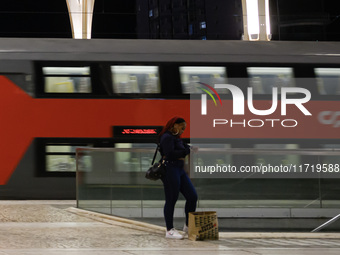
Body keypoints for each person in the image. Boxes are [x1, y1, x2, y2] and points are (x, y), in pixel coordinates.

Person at [158, 117, 198, 239]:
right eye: (181, 127)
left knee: (192, 196)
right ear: (174, 125)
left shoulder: (176, 138)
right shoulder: (167, 137)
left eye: (184, 128)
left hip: (179, 169)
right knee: (171, 198)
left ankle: (187, 225)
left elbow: (184, 147)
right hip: (170, 169)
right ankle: (169, 230)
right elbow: (170, 154)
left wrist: (188, 148)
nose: (183, 130)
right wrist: (186, 151)